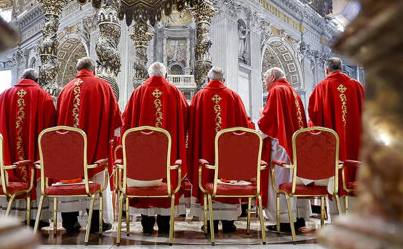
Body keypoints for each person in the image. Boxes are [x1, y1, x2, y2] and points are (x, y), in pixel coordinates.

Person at [55, 57, 123, 234]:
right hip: (95, 145)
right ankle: (95, 222)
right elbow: (116, 120)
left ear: (77, 69)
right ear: (94, 69)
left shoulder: (65, 89)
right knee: (96, 176)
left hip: (68, 148)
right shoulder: (103, 86)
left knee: (70, 178)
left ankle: (69, 221)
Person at [122, 62, 189, 235]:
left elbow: (126, 122)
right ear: (166, 75)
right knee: (167, 181)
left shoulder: (138, 93)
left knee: (145, 180)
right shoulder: (175, 92)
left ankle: (146, 224)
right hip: (169, 155)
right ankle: (165, 225)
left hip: (142, 154)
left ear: (148, 75)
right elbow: (186, 118)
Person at [188, 67, 252, 234]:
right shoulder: (234, 97)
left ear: (208, 79)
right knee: (229, 177)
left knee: (207, 177)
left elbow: (191, 128)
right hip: (230, 154)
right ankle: (229, 222)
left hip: (205, 153)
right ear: (223, 80)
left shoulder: (199, 97)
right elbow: (244, 127)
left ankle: (210, 223)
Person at [308, 57, 365, 214]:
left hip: (331, 145)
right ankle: (355, 214)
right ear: (342, 68)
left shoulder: (322, 87)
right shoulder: (358, 86)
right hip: (356, 142)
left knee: (335, 175)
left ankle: (335, 216)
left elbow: (314, 116)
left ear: (326, 70)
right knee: (354, 174)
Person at [257, 67, 309, 232]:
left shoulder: (277, 90)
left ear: (272, 77)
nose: (263, 81)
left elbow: (270, 119)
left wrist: (260, 121)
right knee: (294, 181)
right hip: (295, 144)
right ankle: (299, 217)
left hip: (281, 145)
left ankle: (286, 220)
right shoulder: (292, 91)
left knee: (280, 180)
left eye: (265, 77)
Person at [0, 67, 57, 187]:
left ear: (22, 77)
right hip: (33, 152)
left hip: (9, 154)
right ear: (36, 80)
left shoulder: (4, 95)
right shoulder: (43, 95)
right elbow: (50, 130)